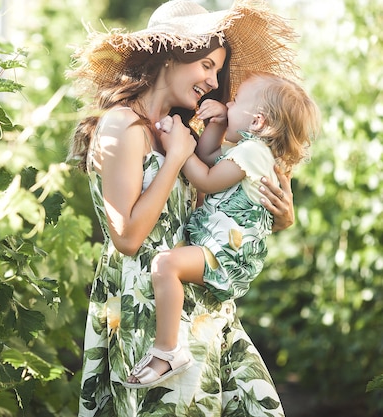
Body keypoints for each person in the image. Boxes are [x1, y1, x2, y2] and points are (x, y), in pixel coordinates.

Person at [67, 0, 301, 415]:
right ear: (173, 53)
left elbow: (217, 212)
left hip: (201, 303)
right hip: (148, 307)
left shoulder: (183, 132)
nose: (213, 81)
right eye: (207, 66)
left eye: (217, 70)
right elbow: (126, 237)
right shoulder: (124, 126)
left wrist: (279, 216)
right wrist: (175, 157)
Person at [124, 72, 320, 389]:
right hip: (218, 250)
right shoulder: (247, 149)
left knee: (165, 264)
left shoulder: (254, 153)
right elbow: (208, 157)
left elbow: (206, 178)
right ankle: (168, 349)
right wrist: (215, 124)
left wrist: (178, 147)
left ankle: (167, 351)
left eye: (236, 101)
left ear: (257, 122)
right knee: (169, 265)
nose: (228, 103)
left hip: (226, 256)